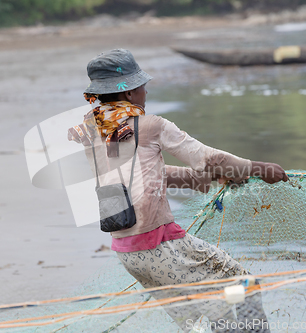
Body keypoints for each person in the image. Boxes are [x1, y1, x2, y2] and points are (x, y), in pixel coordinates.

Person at [68, 49, 288, 332]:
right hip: (162, 246)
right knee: (243, 288)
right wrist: (259, 168)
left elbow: (147, 177)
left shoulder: (95, 132)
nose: (146, 91)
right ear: (131, 94)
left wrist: (207, 180)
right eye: (141, 86)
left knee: (200, 319)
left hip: (128, 254)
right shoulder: (150, 126)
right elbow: (210, 158)